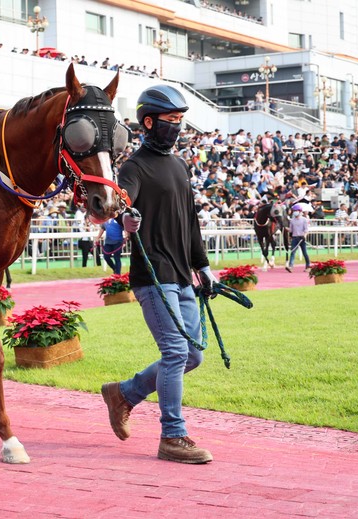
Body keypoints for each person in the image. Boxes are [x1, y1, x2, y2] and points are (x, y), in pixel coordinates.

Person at [101, 85, 216, 464]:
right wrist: (125, 219)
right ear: (148, 122)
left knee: (193, 356)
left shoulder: (180, 165)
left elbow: (191, 222)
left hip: (182, 275)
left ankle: (124, 393)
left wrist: (203, 266)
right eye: (171, 120)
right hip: (153, 275)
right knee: (175, 352)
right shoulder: (133, 167)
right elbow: (122, 203)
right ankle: (172, 436)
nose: (177, 127)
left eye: (180, 120)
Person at [286, 203, 311, 273]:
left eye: (296, 210)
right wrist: (285, 228)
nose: (294, 212)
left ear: (300, 211)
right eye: (294, 211)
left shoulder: (304, 220)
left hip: (302, 238)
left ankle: (308, 266)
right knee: (292, 252)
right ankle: (290, 267)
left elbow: (306, 230)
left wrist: (304, 236)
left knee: (304, 253)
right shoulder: (292, 220)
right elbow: (291, 230)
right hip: (294, 238)